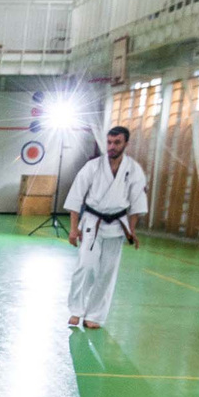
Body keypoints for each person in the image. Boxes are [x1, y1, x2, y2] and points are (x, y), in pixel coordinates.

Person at [63, 126, 150, 331]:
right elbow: (75, 197)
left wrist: (132, 230)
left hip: (117, 225)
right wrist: (74, 229)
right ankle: (76, 309)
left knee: (107, 272)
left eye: (117, 142)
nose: (112, 146)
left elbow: (137, 202)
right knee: (86, 266)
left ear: (126, 143)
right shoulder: (93, 166)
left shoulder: (133, 170)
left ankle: (94, 315)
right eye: (109, 142)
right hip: (92, 221)